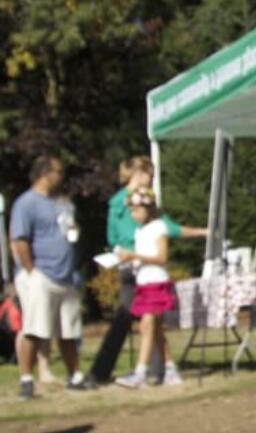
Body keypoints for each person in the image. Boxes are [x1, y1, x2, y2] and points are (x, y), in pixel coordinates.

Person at [86, 156, 205, 386]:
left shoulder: (143, 205)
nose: (150, 179)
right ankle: (146, 370)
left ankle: (153, 370)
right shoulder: (132, 204)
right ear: (138, 174)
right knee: (134, 319)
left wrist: (200, 232)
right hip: (134, 267)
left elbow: (166, 229)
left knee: (148, 322)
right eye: (149, 173)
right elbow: (168, 229)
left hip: (143, 269)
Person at [9, 155, 87, 398]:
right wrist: (31, 270)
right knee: (35, 328)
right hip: (40, 274)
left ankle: (75, 375)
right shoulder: (27, 203)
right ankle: (26, 380)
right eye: (59, 172)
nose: (61, 177)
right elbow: (19, 240)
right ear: (46, 174)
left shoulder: (59, 203)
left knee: (68, 329)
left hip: (66, 275)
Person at [114, 187, 182, 388]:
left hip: (156, 282)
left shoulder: (158, 227)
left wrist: (135, 256)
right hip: (144, 283)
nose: (133, 214)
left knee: (147, 326)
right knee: (154, 329)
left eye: (136, 210)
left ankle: (140, 373)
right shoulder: (140, 231)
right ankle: (170, 370)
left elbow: (162, 257)